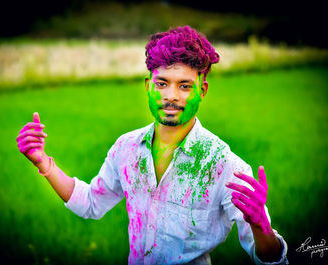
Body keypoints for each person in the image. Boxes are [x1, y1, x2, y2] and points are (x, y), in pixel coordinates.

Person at [16, 25, 288, 265]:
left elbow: (270, 259)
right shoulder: (126, 148)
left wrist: (261, 228)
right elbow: (90, 203)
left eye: (184, 86)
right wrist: (43, 162)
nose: (171, 96)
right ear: (148, 86)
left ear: (202, 90)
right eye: (162, 83)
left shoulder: (225, 167)